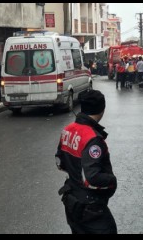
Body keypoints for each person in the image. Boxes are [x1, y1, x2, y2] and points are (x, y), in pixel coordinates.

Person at [55, 89, 117, 234]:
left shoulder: (68, 129)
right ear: (102, 109)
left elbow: (59, 162)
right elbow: (92, 177)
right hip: (90, 206)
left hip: (71, 199)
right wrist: (112, 180)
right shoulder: (92, 138)